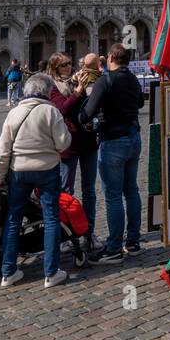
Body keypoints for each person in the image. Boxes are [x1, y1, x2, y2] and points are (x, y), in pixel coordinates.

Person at [0, 72, 72, 288]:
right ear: (46, 91)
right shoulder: (51, 111)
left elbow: (2, 150)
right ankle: (51, 272)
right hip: (47, 170)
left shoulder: (14, 112)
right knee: (51, 217)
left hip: (18, 171)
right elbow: (64, 142)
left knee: (13, 219)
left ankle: (8, 272)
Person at [80, 43, 145, 264]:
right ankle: (134, 242)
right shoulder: (133, 79)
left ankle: (115, 248)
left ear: (110, 58)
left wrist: (83, 113)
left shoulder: (105, 80)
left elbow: (87, 114)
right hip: (133, 139)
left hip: (113, 142)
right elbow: (140, 102)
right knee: (132, 191)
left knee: (113, 196)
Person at [48, 51, 99, 245]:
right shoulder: (53, 87)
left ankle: (90, 232)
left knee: (89, 191)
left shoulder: (79, 81)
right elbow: (63, 108)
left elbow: (93, 105)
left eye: (70, 63)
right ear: (54, 68)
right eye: (64, 65)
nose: (69, 67)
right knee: (65, 191)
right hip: (67, 145)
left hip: (87, 141)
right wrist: (78, 91)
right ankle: (66, 236)